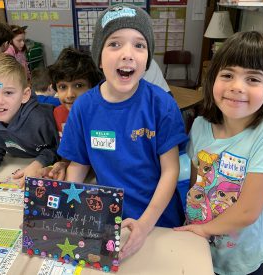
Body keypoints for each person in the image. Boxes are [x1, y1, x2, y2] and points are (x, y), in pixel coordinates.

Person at [57, 4, 188, 261]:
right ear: (99, 56)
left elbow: (171, 170)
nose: (128, 54)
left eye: (139, 45)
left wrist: (146, 224)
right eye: (115, 44)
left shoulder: (161, 104)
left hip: (158, 222)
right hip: (107, 221)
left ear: (147, 57)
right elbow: (79, 165)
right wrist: (62, 211)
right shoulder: (84, 107)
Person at [174, 31, 263, 275]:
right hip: (199, 243)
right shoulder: (200, 126)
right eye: (227, 75)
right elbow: (197, 184)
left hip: (240, 257)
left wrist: (205, 229)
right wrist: (198, 228)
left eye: (253, 79)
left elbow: (248, 211)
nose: (237, 87)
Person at [0, 54, 59, 194]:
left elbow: (59, 148)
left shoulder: (42, 118)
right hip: (11, 168)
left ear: (25, 95)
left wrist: (38, 163)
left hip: (43, 171)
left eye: (8, 92)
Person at [48, 46, 103, 138]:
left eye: (78, 86)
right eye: (63, 87)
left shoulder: (103, 115)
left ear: (92, 86)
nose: (70, 95)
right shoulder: (57, 114)